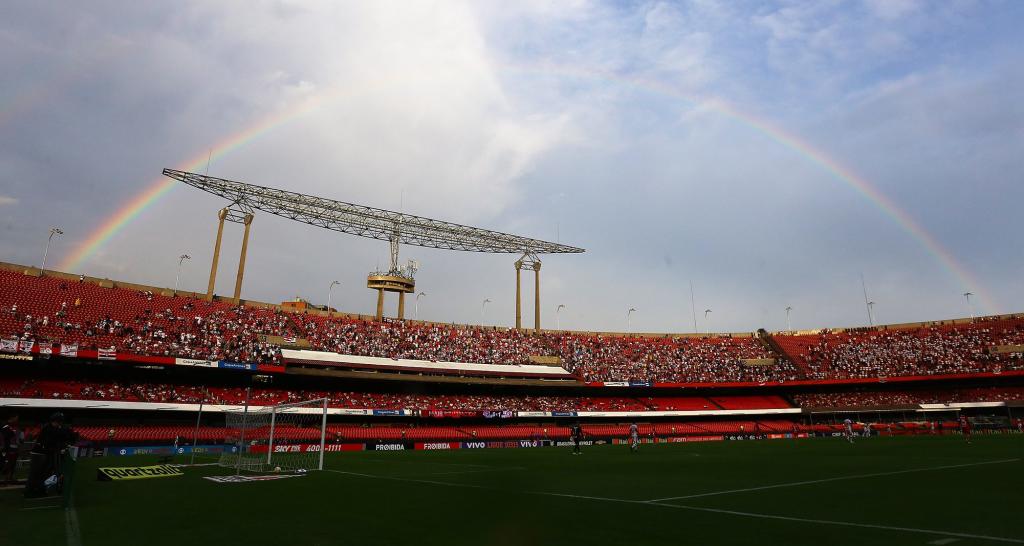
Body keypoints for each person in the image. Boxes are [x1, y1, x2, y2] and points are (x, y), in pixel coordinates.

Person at [25, 413, 78, 498]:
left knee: (43, 473)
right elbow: (54, 439)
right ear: (56, 421)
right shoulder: (49, 429)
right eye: (59, 422)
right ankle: (30, 491)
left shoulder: (50, 428)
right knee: (36, 473)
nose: (60, 424)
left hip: (43, 453)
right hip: (39, 453)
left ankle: (39, 490)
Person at [2, 415, 21, 484]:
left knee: (13, 464)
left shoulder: (15, 428)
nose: (17, 420)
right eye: (16, 419)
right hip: (8, 449)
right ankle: (5, 479)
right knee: (8, 463)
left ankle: (10, 478)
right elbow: (4, 438)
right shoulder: (6, 427)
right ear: (11, 418)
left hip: (15, 448)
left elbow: (18, 438)